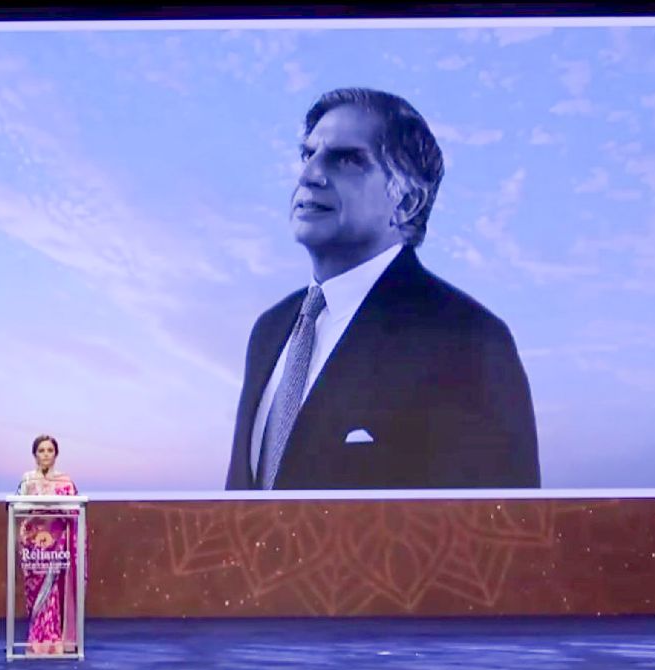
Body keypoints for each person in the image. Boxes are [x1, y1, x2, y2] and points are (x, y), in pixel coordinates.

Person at [225, 87, 540, 491]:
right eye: (308, 154)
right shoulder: (270, 330)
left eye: (347, 159)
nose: (309, 175)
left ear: (406, 202)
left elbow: (499, 523)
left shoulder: (468, 340)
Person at [17, 434, 81, 655]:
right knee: (35, 594)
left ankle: (51, 641)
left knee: (53, 591)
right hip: (32, 544)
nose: (45, 454)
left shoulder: (65, 481)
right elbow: (16, 505)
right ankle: (37, 638)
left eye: (50, 450)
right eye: (41, 450)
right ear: (34, 454)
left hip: (56, 542)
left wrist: (58, 504)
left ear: (56, 455)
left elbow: (75, 510)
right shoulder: (27, 480)